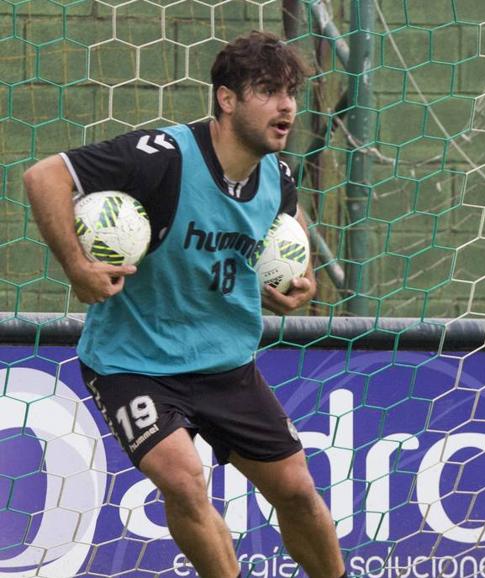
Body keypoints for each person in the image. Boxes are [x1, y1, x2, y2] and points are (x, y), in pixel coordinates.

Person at [24, 30, 346, 578]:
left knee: (295, 491)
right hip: (133, 361)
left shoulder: (278, 175)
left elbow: (288, 227)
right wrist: (78, 267)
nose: (287, 105)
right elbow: (44, 175)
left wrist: (303, 281)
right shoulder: (163, 158)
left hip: (226, 364)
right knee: (182, 478)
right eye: (269, 91)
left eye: (291, 92)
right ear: (227, 99)